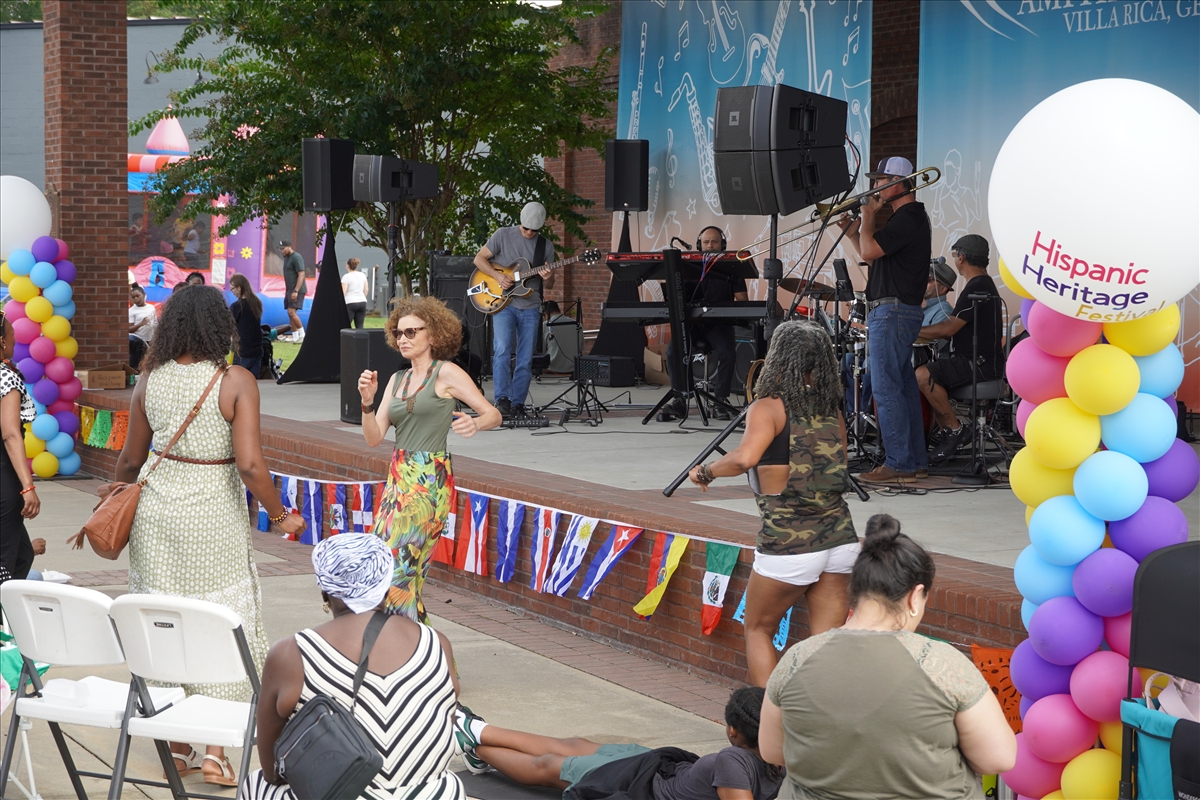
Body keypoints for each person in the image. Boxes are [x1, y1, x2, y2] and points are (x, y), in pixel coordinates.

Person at [114, 285, 305, 787]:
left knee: (164, 618)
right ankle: (217, 752)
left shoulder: (149, 379)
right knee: (222, 620)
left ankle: (177, 746)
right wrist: (281, 513)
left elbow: (131, 459)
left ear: (172, 326)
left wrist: (114, 500)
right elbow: (250, 464)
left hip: (156, 514)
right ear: (220, 327)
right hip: (212, 516)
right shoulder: (235, 380)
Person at [759, 514, 1017, 799]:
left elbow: (772, 751)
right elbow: (999, 759)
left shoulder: (797, 658)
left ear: (855, 590)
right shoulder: (944, 664)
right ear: (915, 596)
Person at [687, 321, 857, 687]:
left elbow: (745, 458)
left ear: (778, 358)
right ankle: (822, 715)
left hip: (789, 544)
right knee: (825, 643)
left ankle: (767, 717)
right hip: (840, 540)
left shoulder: (769, 407)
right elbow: (839, 464)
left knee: (758, 629)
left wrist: (705, 471)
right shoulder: (832, 409)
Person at [244, 533, 466, 800]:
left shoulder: (291, 653)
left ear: (325, 592)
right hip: (431, 795)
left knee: (257, 784)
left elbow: (272, 769)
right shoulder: (436, 643)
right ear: (386, 587)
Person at [358, 296, 502, 623]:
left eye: (412, 332)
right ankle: (415, 643)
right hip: (398, 478)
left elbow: (493, 414)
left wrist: (475, 423)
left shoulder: (446, 373)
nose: (403, 339)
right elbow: (373, 438)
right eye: (399, 333)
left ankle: (409, 643)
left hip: (428, 481)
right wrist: (367, 402)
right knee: (389, 568)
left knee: (400, 572)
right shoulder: (397, 380)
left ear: (433, 334)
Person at [452, 687, 783, 800]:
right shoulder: (738, 761)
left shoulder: (761, 758)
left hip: (645, 777)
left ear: (732, 731)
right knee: (570, 748)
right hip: (648, 771)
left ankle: (475, 743)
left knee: (552, 764)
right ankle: (476, 732)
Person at [839, 157, 932, 483]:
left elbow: (869, 253)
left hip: (892, 312)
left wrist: (867, 217)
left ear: (897, 182)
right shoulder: (907, 218)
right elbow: (871, 254)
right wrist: (854, 233)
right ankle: (914, 462)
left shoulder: (908, 216)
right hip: (897, 310)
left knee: (886, 387)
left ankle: (899, 464)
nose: (875, 187)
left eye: (880, 181)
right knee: (902, 387)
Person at [916, 235, 1005, 463]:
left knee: (923, 374)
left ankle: (954, 430)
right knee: (932, 371)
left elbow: (949, 329)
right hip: (980, 361)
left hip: (980, 364)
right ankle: (948, 433)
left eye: (955, 255)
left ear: (961, 258)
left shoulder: (978, 286)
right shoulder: (982, 284)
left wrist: (910, 331)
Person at [472, 201, 556, 418]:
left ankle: (518, 403)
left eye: (533, 230)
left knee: (525, 358)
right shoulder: (502, 235)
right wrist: (498, 276)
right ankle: (502, 400)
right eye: (525, 228)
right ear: (520, 222)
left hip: (531, 306)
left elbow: (549, 285)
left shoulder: (545, 246)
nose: (529, 233)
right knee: (501, 350)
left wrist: (549, 277)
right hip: (504, 304)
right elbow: (479, 259)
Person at [661, 225, 747, 422]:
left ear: (722, 245)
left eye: (714, 242)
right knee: (673, 351)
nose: (710, 245)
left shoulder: (732, 266)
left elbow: (742, 300)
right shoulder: (688, 266)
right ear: (699, 245)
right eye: (706, 242)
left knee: (727, 352)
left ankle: (720, 400)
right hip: (692, 323)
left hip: (718, 324)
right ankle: (681, 398)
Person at [1, 310, 40, 585]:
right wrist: (28, 487)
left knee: (23, 555)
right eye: (12, 335)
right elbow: (11, 435)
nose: (15, 341)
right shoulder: (6, 377)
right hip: (4, 480)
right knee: (6, 563)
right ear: (2, 341)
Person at [229, 273, 264, 379]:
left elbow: (229, 327)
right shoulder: (256, 302)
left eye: (232, 288)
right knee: (252, 382)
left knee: (237, 382)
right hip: (256, 349)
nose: (232, 292)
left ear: (239, 288)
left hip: (242, 350)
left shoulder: (236, 306)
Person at [542, 300, 579, 374]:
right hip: (573, 369)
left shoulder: (545, 325)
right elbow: (580, 348)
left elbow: (541, 352)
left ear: (545, 313)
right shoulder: (577, 324)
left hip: (551, 369)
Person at [280, 240, 306, 342]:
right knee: (290, 313)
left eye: (283, 249)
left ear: (289, 247)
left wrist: (296, 290)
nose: (282, 251)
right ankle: (295, 337)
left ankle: (303, 335)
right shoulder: (287, 258)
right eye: (280, 249)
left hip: (296, 290)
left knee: (291, 312)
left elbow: (301, 274)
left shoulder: (296, 257)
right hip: (289, 289)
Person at [128, 283, 156, 369]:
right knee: (138, 362)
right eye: (133, 297)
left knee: (150, 361)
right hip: (138, 341)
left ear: (144, 295)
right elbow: (129, 329)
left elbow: (155, 322)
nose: (135, 299)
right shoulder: (131, 311)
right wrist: (141, 324)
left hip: (151, 339)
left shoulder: (151, 308)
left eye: (137, 296)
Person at [341, 257, 369, 329]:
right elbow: (366, 289)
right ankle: (361, 336)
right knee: (360, 325)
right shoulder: (362, 275)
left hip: (350, 302)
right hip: (362, 301)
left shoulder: (346, 277)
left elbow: (343, 291)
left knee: (346, 325)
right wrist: (362, 297)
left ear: (347, 266)